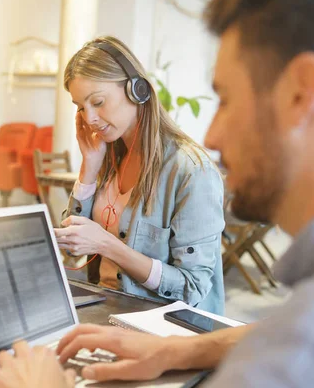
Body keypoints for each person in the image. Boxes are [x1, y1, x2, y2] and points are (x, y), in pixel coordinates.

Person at [0, 0, 314, 387]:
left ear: (301, 92)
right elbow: (282, 328)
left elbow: (194, 289)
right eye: (80, 107)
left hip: (156, 315)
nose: (212, 134)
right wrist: (175, 351)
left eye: (225, 99)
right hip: (123, 317)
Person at [53, 36, 226, 314]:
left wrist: (108, 245)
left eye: (97, 102)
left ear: (138, 90)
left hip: (162, 326)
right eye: (81, 108)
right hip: (108, 308)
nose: (90, 118)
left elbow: (191, 288)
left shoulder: (192, 171)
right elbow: (72, 251)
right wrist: (89, 167)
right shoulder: (108, 155)